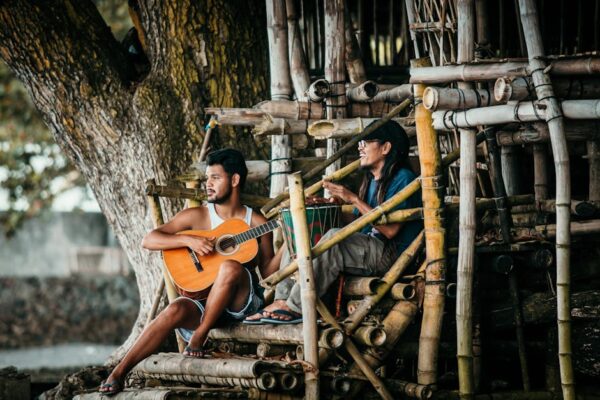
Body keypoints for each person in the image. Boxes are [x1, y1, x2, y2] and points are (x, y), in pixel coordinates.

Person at [99, 148, 279, 395]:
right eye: (207, 178)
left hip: (240, 304)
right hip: (203, 301)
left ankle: (199, 337)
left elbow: (269, 272)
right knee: (174, 309)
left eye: (215, 177)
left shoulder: (257, 222)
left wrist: (289, 242)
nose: (208, 184)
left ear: (235, 180)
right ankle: (118, 372)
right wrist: (188, 241)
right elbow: (150, 240)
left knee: (230, 267)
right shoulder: (197, 216)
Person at [245, 120, 422, 324]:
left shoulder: (404, 178)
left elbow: (390, 230)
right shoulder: (372, 180)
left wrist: (354, 199)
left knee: (333, 239)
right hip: (367, 248)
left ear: (386, 147)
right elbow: (359, 220)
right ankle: (283, 299)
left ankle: (296, 307)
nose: (360, 146)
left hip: (391, 255)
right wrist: (325, 208)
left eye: (366, 141)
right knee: (304, 232)